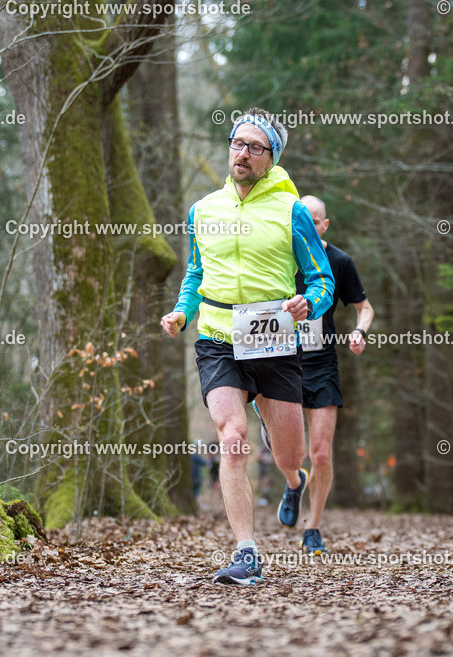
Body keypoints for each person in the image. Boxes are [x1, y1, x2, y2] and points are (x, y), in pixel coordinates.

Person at [160, 108, 334, 585]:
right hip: (217, 339)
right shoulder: (203, 210)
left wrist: (308, 304)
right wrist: (182, 312)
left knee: (288, 454)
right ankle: (246, 552)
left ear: (271, 158)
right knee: (231, 438)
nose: (243, 152)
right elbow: (196, 274)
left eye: (256, 147)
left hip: (274, 339)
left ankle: (294, 484)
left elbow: (322, 279)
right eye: (238, 143)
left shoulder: (292, 210)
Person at [256, 195, 374, 555]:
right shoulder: (280, 256)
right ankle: (294, 482)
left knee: (321, 454)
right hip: (280, 360)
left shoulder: (339, 261)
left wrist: (360, 331)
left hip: (321, 365)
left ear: (323, 225)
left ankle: (314, 528)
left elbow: (364, 308)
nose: (304, 225)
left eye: (314, 220)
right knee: (285, 450)